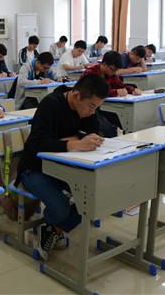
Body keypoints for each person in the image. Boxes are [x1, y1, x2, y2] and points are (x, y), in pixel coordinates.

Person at [15, 74, 110, 261]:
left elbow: (93, 132)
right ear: (76, 96)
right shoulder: (50, 104)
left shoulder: (86, 109)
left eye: (96, 107)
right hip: (34, 169)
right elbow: (38, 144)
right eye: (91, 106)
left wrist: (75, 140)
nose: (93, 112)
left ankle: (52, 229)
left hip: (64, 168)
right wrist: (75, 143)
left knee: (90, 199)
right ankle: (55, 223)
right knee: (62, 209)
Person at [81, 51, 141, 137]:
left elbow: (121, 85)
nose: (114, 72)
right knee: (108, 129)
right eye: (113, 69)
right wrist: (115, 92)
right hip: (89, 108)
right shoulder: (90, 73)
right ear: (104, 64)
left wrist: (133, 90)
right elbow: (92, 93)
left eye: (116, 70)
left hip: (104, 107)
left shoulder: (110, 74)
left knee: (122, 122)